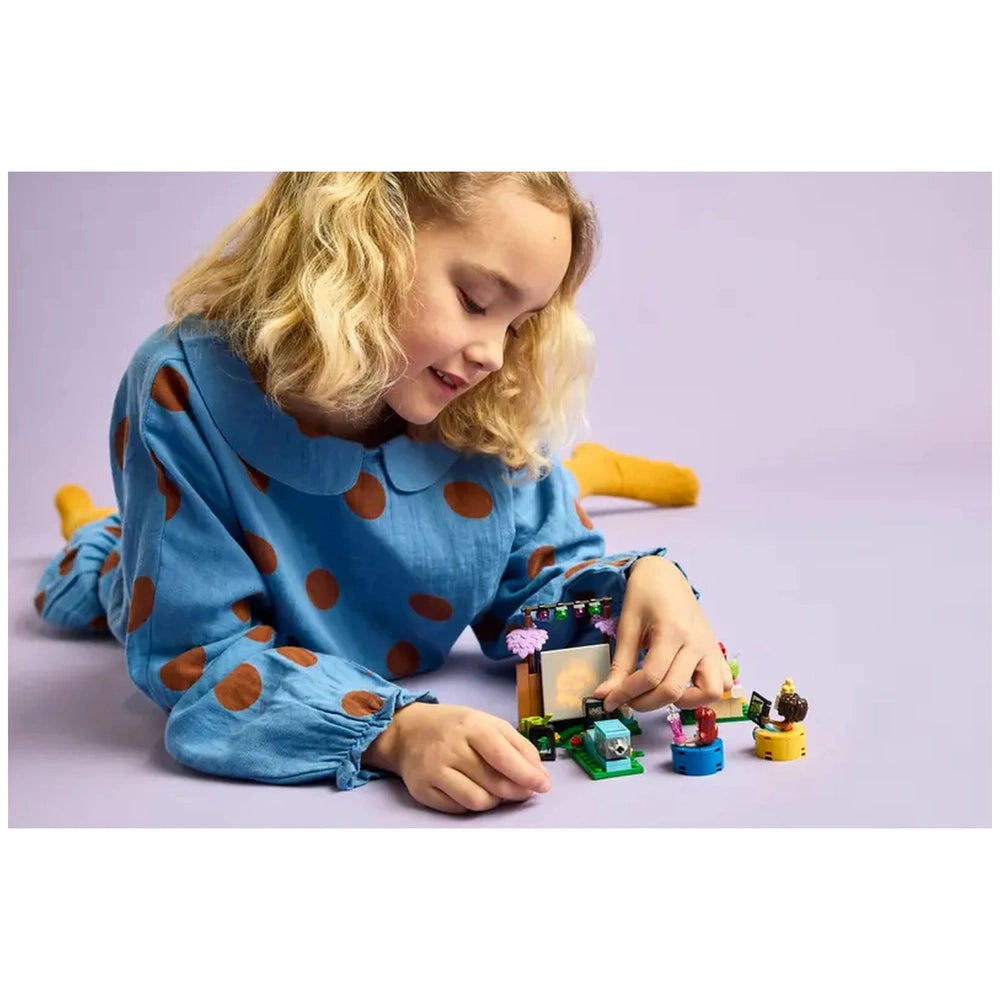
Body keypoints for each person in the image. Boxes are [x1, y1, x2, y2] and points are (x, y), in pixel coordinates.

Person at [33, 172, 732, 814]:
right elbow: (199, 658)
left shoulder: (480, 399)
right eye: (475, 301)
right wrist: (394, 731)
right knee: (91, 572)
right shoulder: (180, 385)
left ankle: (591, 470)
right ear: (361, 238)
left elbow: (538, 586)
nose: (494, 353)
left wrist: (643, 585)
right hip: (156, 564)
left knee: (559, 486)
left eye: (517, 323)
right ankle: (98, 523)